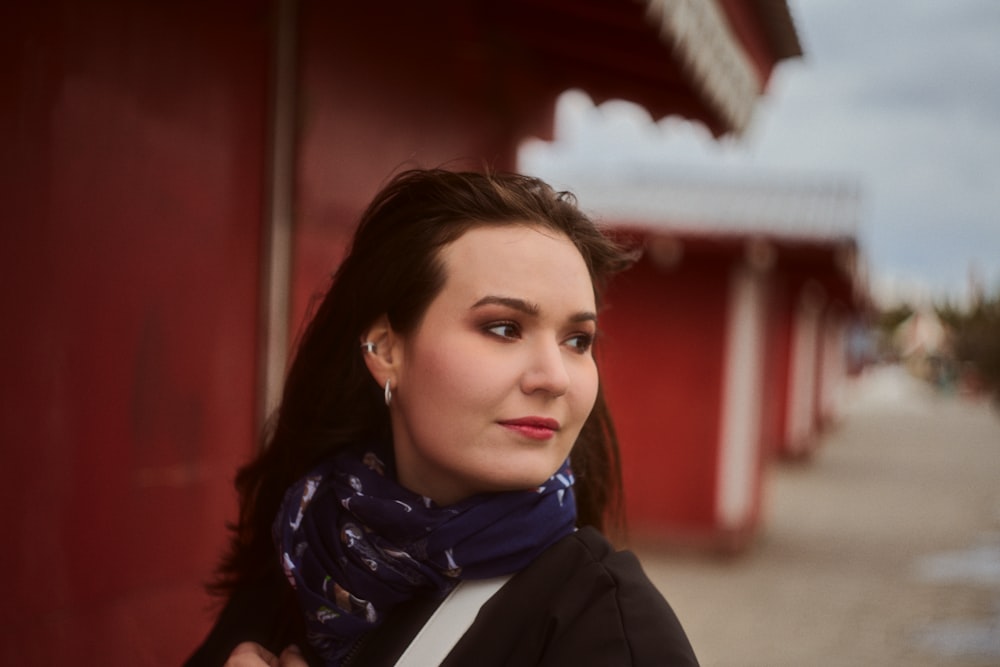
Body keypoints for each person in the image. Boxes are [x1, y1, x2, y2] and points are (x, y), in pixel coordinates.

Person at [186, 169, 699, 666]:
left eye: (577, 340)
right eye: (503, 328)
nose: (555, 377)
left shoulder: (608, 627)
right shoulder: (305, 550)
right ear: (385, 349)